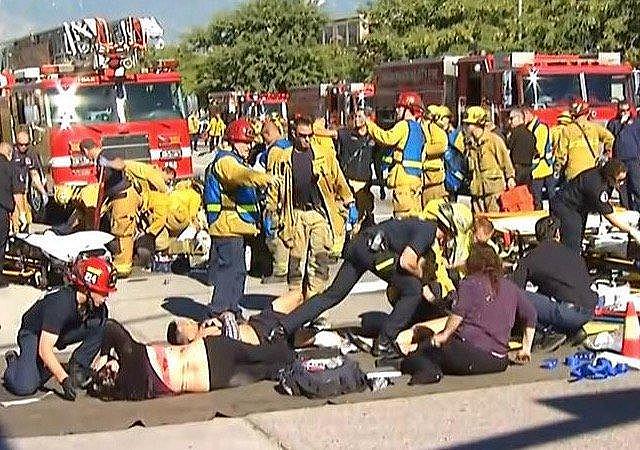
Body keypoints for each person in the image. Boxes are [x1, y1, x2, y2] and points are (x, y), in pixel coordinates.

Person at [268, 217, 452, 359]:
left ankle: (284, 327)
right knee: (413, 290)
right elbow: (406, 262)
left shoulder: (419, 225)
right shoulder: (428, 231)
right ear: (450, 230)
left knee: (332, 295)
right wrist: (422, 280)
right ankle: (385, 342)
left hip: (360, 245)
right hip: (375, 251)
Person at [397, 244, 536, 384]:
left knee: (417, 357)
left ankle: (429, 372)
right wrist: (526, 349)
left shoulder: (470, 283)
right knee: (433, 347)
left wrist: (444, 335)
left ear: (472, 262)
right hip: (499, 361)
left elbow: (459, 313)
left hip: (470, 355)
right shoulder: (510, 286)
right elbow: (531, 314)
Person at [88, 319, 293, 401]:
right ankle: (296, 353)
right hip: (209, 352)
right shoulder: (132, 356)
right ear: (109, 369)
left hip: (211, 380)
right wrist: (105, 353)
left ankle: (297, 366)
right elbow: (110, 326)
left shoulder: (132, 392)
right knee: (262, 354)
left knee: (264, 371)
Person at [265, 116, 355, 300]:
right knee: (296, 264)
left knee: (319, 262)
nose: (307, 139)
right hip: (295, 216)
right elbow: (274, 186)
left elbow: (339, 180)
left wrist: (350, 201)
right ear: (293, 135)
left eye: (310, 135)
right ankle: (295, 304)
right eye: (302, 135)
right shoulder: (281, 157)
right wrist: (270, 211)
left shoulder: (324, 155)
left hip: (318, 214)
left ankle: (316, 307)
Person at [3, 257, 115, 399]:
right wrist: (63, 379)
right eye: (103, 292)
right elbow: (45, 349)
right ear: (88, 288)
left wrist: (104, 357)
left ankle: (78, 368)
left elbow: (104, 330)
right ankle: (14, 362)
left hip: (60, 331)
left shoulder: (99, 308)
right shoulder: (60, 305)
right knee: (25, 386)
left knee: (102, 324)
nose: (106, 296)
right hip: (33, 333)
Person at [203, 118, 272, 319]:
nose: (249, 147)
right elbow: (239, 175)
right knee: (229, 271)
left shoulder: (234, 160)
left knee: (238, 271)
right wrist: (263, 178)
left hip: (235, 227)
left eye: (250, 143)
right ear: (233, 141)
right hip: (226, 227)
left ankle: (231, 308)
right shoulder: (226, 161)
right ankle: (219, 310)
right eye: (245, 142)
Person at [513, 216, 596, 349]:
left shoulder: (529, 259)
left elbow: (514, 290)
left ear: (537, 236)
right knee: (551, 295)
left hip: (567, 312)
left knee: (519, 296)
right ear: (557, 233)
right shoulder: (574, 255)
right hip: (588, 310)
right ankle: (571, 330)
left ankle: (549, 331)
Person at [81, 138, 142, 277]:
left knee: (123, 231)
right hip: (115, 198)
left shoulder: (105, 155)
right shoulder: (98, 161)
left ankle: (123, 268)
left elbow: (121, 164)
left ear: (86, 151)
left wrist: (108, 163)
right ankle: (120, 261)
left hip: (124, 196)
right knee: (116, 229)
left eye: (85, 155)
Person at [550, 159, 640, 253]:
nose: (622, 183)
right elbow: (610, 215)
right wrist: (631, 230)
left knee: (578, 238)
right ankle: (569, 263)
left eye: (624, 180)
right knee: (572, 243)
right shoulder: (596, 186)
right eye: (620, 180)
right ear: (611, 177)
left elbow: (607, 205)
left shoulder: (604, 179)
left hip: (578, 208)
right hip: (566, 206)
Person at [365, 91, 426, 218]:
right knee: (415, 217)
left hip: (403, 180)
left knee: (402, 218)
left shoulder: (404, 126)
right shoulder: (420, 129)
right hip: (415, 180)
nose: (397, 109)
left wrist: (369, 124)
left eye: (400, 107)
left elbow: (387, 138)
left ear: (409, 109)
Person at [463, 106, 516, 213]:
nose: (466, 127)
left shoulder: (494, 140)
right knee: (479, 223)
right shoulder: (469, 144)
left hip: (494, 192)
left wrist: (510, 177)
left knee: (495, 222)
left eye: (469, 124)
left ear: (477, 124)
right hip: (477, 192)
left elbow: (505, 161)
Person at [261, 121, 294, 284]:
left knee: (275, 235)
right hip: (292, 196)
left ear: (268, 134)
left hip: (280, 197)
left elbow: (272, 179)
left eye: (264, 136)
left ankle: (280, 270)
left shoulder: (274, 151)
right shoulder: (289, 146)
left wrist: (270, 207)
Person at [555, 100, 614, 181]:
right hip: (592, 172)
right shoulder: (595, 128)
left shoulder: (567, 130)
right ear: (587, 113)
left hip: (573, 173)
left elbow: (560, 154)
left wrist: (558, 168)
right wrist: (606, 153)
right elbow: (610, 138)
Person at [336, 109, 376, 228]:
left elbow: (378, 159)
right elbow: (331, 133)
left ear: (368, 119)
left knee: (363, 220)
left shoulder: (373, 138)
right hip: (348, 184)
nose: (356, 119)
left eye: (360, 116)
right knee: (346, 220)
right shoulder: (346, 135)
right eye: (355, 116)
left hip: (364, 185)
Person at [11, 131, 48, 232]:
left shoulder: (30, 153)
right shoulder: (11, 153)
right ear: (16, 143)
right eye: (21, 144)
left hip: (23, 191)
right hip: (12, 192)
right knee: (17, 219)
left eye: (26, 144)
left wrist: (43, 192)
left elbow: (34, 174)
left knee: (28, 219)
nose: (23, 147)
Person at [607, 102, 640, 211]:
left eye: (626, 110)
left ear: (629, 110)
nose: (623, 113)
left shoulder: (636, 123)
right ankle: (627, 211)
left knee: (636, 186)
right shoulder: (613, 123)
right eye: (621, 110)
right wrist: (621, 124)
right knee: (623, 189)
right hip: (619, 161)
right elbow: (610, 140)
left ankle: (637, 210)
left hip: (633, 160)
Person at [524, 108, 556, 210]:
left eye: (523, 115)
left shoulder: (540, 128)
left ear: (528, 113)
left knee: (549, 197)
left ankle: (553, 218)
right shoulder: (530, 127)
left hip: (542, 167)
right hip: (538, 169)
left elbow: (538, 149)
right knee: (537, 198)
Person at [421, 105, 449, 204]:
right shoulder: (425, 127)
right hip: (426, 179)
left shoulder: (435, 129)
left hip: (433, 180)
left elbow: (442, 146)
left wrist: (425, 150)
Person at [0, 142, 19, 288]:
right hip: (2, 210)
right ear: (9, 153)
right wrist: (19, 215)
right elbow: (16, 193)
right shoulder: (10, 167)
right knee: (1, 244)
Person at [506, 109, 536, 189]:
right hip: (528, 170)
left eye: (512, 118)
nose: (510, 121)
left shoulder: (515, 133)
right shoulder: (531, 134)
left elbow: (507, 151)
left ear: (519, 118)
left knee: (515, 196)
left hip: (517, 169)